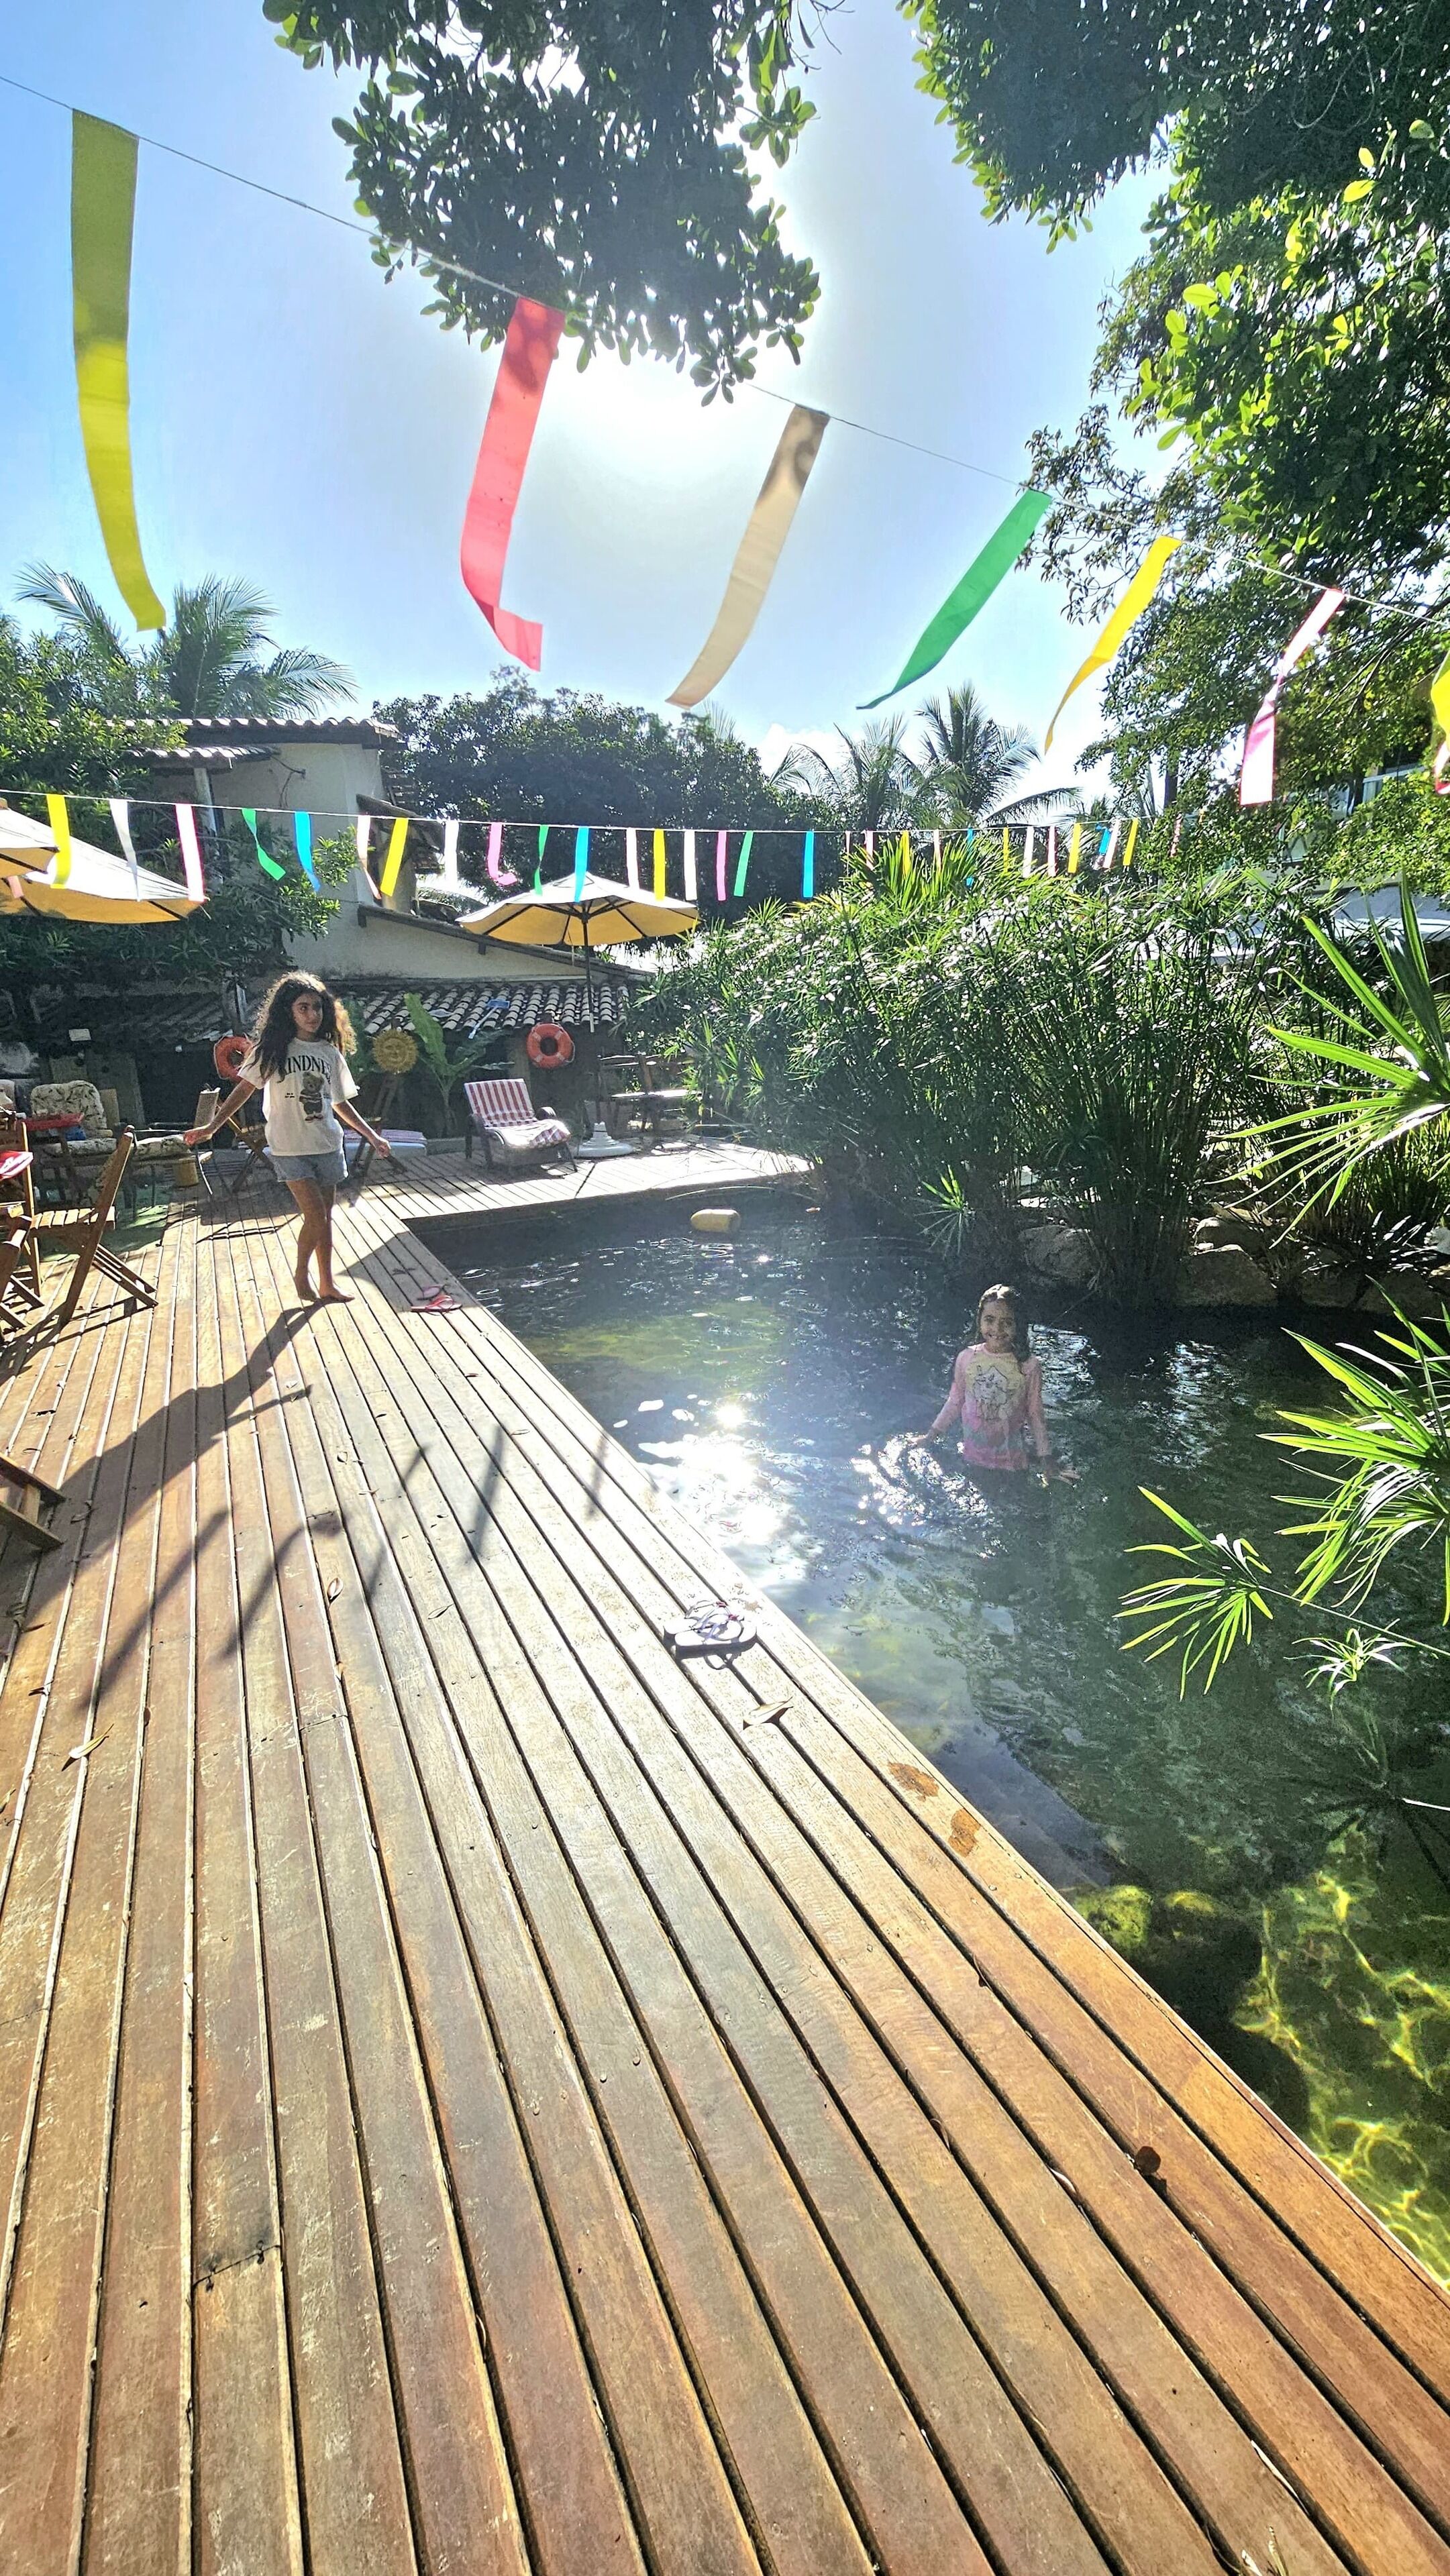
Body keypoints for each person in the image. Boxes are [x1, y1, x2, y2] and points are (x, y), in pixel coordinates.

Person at [185, 973, 391, 1302]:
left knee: (326, 1220)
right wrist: (212, 1126)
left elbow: (340, 1104)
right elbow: (244, 1089)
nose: (313, 1015)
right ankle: (300, 1273)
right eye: (303, 1007)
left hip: (327, 1144)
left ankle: (327, 1283)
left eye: (317, 1008)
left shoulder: (328, 1052)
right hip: (289, 1147)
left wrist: (371, 1137)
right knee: (316, 1217)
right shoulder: (271, 1051)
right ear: (288, 1011)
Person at [914, 1283, 1075, 1478]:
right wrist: (931, 1436)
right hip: (972, 1457)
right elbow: (955, 1401)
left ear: (1019, 1324)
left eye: (1007, 1322)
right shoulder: (966, 1358)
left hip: (1013, 1463)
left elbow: (1035, 1414)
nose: (997, 1329)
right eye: (990, 1320)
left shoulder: (1029, 1366)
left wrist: (1046, 1458)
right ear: (980, 1320)